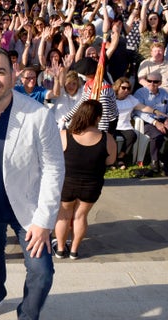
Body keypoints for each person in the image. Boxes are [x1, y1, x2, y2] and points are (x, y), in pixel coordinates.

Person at [0, 48, 65, 320]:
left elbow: (54, 168)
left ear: (13, 74)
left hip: (29, 208)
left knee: (41, 272)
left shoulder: (38, 115)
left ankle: (27, 315)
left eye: (0, 72)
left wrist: (44, 220)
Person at [53, 100, 116, 260]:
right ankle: (74, 250)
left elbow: (53, 159)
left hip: (67, 183)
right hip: (91, 185)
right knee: (81, 216)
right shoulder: (107, 139)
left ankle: (60, 249)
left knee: (64, 216)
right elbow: (110, 161)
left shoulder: (64, 135)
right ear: (98, 118)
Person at [134, 72, 168, 176]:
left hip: (164, 120)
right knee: (158, 137)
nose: (152, 83)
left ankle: (164, 160)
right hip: (148, 121)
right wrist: (155, 122)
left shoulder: (163, 92)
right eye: (149, 81)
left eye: (155, 81)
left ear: (160, 83)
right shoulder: (140, 93)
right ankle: (155, 162)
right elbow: (138, 112)